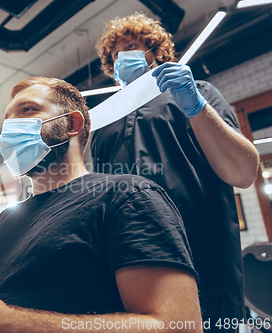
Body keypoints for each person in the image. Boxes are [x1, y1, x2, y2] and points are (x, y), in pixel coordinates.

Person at [0, 77, 203, 332]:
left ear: (72, 124)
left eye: (28, 110)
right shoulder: (5, 220)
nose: (11, 126)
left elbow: (180, 326)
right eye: (7, 120)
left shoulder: (127, 195)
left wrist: (9, 322)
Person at [92, 13, 259, 332]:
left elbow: (243, 173)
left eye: (131, 46)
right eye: (116, 55)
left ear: (156, 52)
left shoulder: (197, 92)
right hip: (128, 266)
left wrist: (195, 107)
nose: (122, 57)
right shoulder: (104, 123)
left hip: (202, 260)